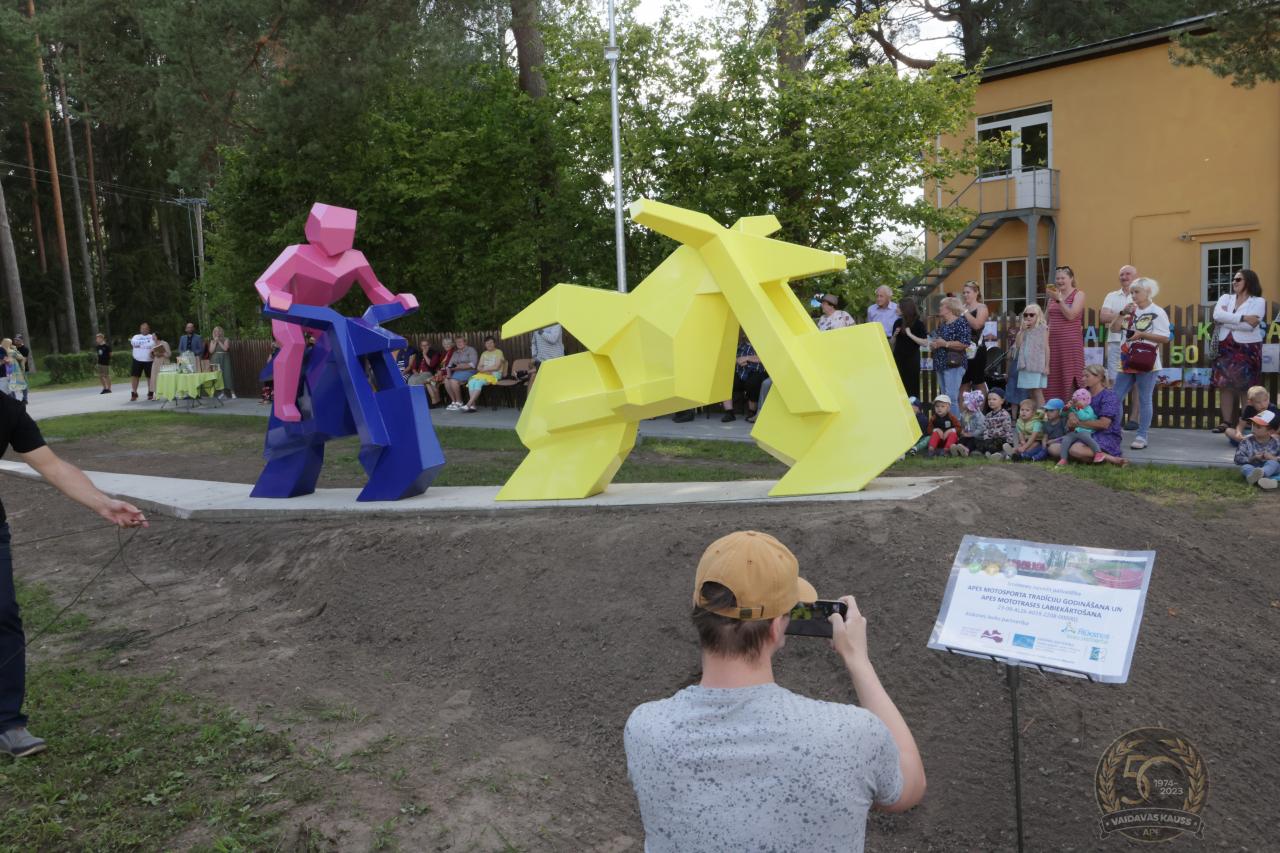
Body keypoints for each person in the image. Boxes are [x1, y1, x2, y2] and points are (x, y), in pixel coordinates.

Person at [624, 531, 926, 851]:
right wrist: (858, 660)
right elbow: (909, 785)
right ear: (777, 627)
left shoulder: (646, 730)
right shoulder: (851, 735)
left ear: (695, 607)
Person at [0, 394, 148, 757]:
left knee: (3, 616)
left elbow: (51, 465)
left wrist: (103, 503)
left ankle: (8, 723)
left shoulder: (5, 409)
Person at [1112, 278, 1170, 451]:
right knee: (1115, 397)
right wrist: (1121, 313)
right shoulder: (1130, 311)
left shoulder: (1157, 312)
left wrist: (1141, 335)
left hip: (1147, 361)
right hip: (1127, 360)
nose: (1133, 295)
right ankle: (1114, 432)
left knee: (1145, 399)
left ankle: (1142, 435)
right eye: (1132, 292)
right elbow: (1114, 329)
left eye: (1137, 292)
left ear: (1148, 292)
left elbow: (1165, 337)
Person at [1211, 269, 1266, 434]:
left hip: (1247, 347)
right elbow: (1217, 315)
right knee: (1224, 385)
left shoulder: (1258, 301)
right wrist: (1242, 318)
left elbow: (1250, 326)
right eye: (1234, 279)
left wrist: (1227, 320)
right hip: (1225, 346)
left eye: (1238, 279)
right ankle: (1226, 422)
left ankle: (1246, 421)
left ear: (1249, 281)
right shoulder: (1225, 298)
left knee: (1246, 387)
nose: (1234, 282)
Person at [1049, 364, 1125, 465]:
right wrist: (1071, 416)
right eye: (1083, 376)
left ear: (1099, 377)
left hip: (1104, 434)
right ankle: (1087, 457)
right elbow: (1072, 407)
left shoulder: (1109, 396)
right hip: (1082, 432)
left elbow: (1104, 424)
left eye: (1087, 376)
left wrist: (1077, 423)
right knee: (1053, 448)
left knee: (1076, 450)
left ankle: (1111, 459)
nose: (1083, 379)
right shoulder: (1083, 393)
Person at [1100, 265, 1139, 428]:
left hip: (1135, 342)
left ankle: (1134, 419)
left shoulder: (1141, 295)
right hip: (1115, 342)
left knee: (1136, 381)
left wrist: (1115, 316)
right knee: (1113, 380)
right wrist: (1123, 313)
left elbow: (1144, 316)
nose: (1124, 277)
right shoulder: (1112, 295)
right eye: (1122, 274)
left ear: (1135, 276)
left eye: (1128, 274)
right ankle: (1115, 419)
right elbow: (1103, 317)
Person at [1046, 265, 1086, 402]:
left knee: (1070, 374)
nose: (1059, 281)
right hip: (1053, 343)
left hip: (1070, 344)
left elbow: (1071, 315)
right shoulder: (1053, 297)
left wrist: (1059, 300)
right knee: (1054, 376)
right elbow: (1045, 320)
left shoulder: (1078, 294)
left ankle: (1072, 408)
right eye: (1057, 278)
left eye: (1063, 278)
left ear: (1071, 278)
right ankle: (1054, 408)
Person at [930, 296, 970, 404]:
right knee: (945, 398)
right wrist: (935, 344)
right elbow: (939, 340)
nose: (939, 308)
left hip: (954, 364)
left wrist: (945, 344)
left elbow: (965, 343)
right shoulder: (943, 324)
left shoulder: (960, 322)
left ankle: (954, 416)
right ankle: (948, 416)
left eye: (942, 306)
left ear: (949, 308)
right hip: (941, 364)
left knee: (951, 398)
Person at [1012, 303, 1049, 409]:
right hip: (1025, 364)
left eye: (1031, 315)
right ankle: (1035, 413)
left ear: (1038, 316)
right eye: (1026, 315)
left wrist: (1047, 366)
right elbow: (1018, 345)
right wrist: (1022, 330)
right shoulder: (1023, 329)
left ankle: (1042, 414)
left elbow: (1046, 347)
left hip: (1037, 364)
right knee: (1030, 391)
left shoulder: (1043, 328)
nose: (1028, 317)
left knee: (1037, 390)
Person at [891, 298, 927, 401]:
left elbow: (924, 342)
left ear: (905, 309)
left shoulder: (918, 324)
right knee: (899, 385)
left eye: (898, 307)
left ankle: (913, 407)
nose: (896, 309)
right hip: (898, 358)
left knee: (912, 386)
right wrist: (894, 335)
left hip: (912, 359)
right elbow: (892, 343)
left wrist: (910, 335)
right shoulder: (898, 322)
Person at [723, 335, 766, 423]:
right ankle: (729, 412)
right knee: (725, 380)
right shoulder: (740, 345)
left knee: (753, 383)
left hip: (756, 371)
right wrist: (737, 360)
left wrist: (747, 358)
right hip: (739, 371)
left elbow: (766, 357)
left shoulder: (762, 344)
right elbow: (727, 357)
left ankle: (752, 412)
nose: (745, 335)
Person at [958, 281, 990, 395]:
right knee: (963, 382)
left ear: (976, 292)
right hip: (962, 349)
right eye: (964, 293)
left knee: (978, 382)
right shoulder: (962, 308)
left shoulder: (982, 307)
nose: (965, 295)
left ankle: (980, 406)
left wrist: (965, 312)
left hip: (977, 348)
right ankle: (963, 407)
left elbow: (977, 325)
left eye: (968, 292)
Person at [1056, 388, 1102, 466]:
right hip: (1074, 431)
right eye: (1075, 401)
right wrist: (1066, 408)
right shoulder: (1073, 408)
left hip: (1085, 430)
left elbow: (1084, 417)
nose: (1076, 403)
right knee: (1065, 440)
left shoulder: (1088, 408)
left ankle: (1098, 453)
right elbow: (1062, 414)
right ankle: (1063, 459)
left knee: (1087, 438)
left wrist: (1078, 409)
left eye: (1078, 401)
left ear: (1086, 401)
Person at [1234, 411, 1280, 489]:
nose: (1253, 428)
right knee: (1245, 467)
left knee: (1273, 464)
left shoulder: (1277, 443)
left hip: (1271, 469)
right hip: (1253, 467)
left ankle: (1259, 476)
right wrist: (1253, 458)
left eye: (1258, 427)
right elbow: (1237, 459)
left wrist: (1274, 458)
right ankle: (1263, 480)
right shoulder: (1246, 441)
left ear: (1270, 431)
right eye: (1253, 425)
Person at [461, 336, 505, 412]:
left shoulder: (499, 352)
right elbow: (479, 367)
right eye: (487, 343)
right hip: (484, 374)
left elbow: (496, 367)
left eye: (491, 343)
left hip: (494, 374)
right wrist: (485, 370)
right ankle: (473, 406)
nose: (489, 345)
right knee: (471, 381)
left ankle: (469, 404)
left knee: (478, 382)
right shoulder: (484, 353)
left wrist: (484, 369)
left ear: (494, 343)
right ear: (485, 344)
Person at [443, 335, 478, 411]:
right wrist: (449, 374)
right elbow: (449, 365)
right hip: (458, 373)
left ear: (465, 342)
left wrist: (458, 366)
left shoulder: (471, 350)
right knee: (447, 380)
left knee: (453, 380)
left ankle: (459, 402)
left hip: (469, 371)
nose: (458, 343)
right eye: (457, 342)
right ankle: (454, 401)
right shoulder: (456, 353)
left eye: (460, 342)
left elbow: (473, 364)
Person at [978, 388, 1015, 459]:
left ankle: (1004, 454)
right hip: (991, 439)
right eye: (989, 399)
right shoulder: (988, 415)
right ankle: (991, 454)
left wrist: (1010, 442)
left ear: (1002, 401)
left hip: (1002, 439)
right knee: (980, 441)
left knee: (998, 443)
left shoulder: (1005, 414)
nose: (991, 401)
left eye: (994, 399)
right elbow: (985, 428)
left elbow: (1007, 430)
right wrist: (986, 438)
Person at [129, 322, 157, 402]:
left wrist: (140, 344)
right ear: (140, 329)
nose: (144, 330)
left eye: (146, 329)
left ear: (149, 329)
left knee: (150, 377)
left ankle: (150, 392)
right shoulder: (136, 336)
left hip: (149, 360)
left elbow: (153, 344)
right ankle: (134, 392)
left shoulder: (152, 336)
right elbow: (134, 343)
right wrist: (146, 343)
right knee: (135, 376)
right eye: (142, 329)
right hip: (137, 360)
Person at [207, 326, 236, 400]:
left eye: (218, 331)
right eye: (215, 331)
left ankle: (232, 393)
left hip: (225, 358)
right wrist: (215, 342)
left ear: (221, 332)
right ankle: (222, 393)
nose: (217, 332)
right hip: (215, 359)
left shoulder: (226, 339)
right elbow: (211, 351)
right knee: (219, 375)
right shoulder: (212, 341)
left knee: (227, 374)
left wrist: (219, 341)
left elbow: (225, 349)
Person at [955, 389, 985, 457]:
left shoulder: (979, 416)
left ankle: (966, 450)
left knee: (972, 441)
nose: (964, 404)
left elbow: (981, 428)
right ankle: (957, 449)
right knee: (962, 440)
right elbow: (961, 424)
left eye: (967, 403)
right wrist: (962, 430)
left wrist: (972, 434)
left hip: (976, 437)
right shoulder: (964, 414)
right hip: (966, 434)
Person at [0, 341, 26, 405]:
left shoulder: (2, 350)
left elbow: (7, 360)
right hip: (9, 373)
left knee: (7, 392)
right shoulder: (9, 350)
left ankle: (18, 402)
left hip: (4, 375)